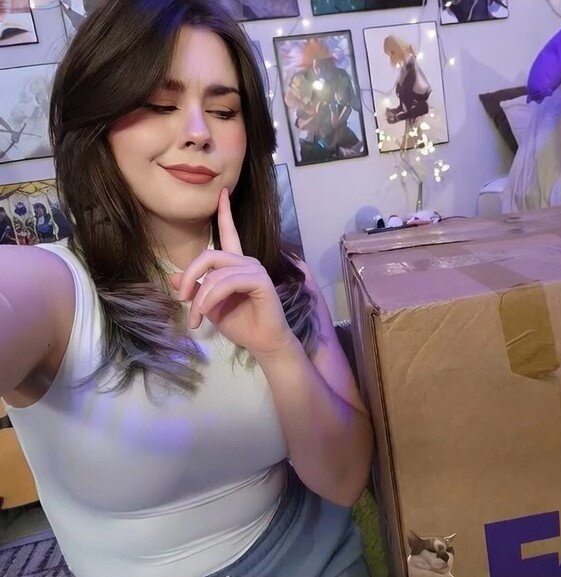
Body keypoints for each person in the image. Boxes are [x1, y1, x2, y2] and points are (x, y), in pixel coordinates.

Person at [0, 1, 374, 576]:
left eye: (224, 111)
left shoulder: (284, 276)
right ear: (97, 121)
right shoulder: (53, 288)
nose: (199, 133)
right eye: (159, 104)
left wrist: (277, 349)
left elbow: (345, 481)